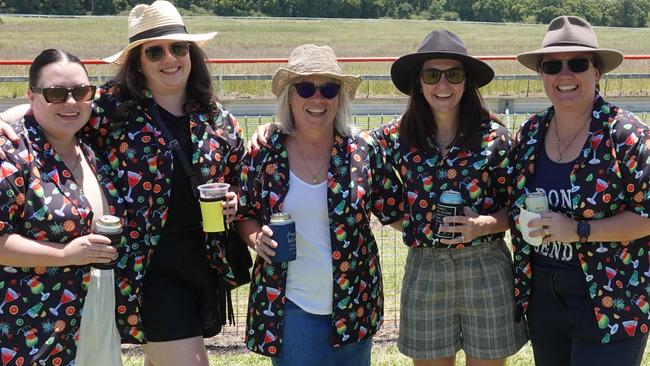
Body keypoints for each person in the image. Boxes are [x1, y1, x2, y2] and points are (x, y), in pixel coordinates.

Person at [0, 2, 244, 365]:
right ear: (138, 61)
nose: (170, 58)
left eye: (179, 48)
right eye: (155, 51)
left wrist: (234, 200)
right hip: (147, 272)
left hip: (202, 264)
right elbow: (59, 105)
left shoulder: (216, 117)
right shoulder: (111, 110)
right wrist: (6, 115)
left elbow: (237, 178)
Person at [236, 44, 402, 366]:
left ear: (339, 97)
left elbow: (397, 212)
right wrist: (256, 239)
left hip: (354, 302)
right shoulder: (264, 154)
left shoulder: (362, 153)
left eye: (328, 88)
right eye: (305, 87)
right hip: (290, 304)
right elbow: (244, 213)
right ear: (290, 96)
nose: (317, 98)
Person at [369, 30, 528, 366]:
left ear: (467, 82)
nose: (443, 85)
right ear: (418, 83)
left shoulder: (493, 138)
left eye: (453, 74)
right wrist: (275, 130)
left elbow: (517, 207)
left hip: (485, 265)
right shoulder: (393, 138)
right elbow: (346, 147)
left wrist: (482, 225)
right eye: (432, 74)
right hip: (426, 267)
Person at [510, 16, 650, 366]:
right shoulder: (530, 134)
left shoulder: (626, 135)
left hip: (612, 296)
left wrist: (579, 231)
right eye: (553, 66)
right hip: (544, 293)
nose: (564, 75)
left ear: (597, 71)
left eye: (577, 64)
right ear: (541, 74)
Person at [0, 49, 123, 365]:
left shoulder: (90, 148)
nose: (71, 102)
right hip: (30, 322)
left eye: (81, 91)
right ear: (32, 95)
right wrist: (64, 254)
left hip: (92, 310)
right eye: (56, 93)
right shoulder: (12, 154)